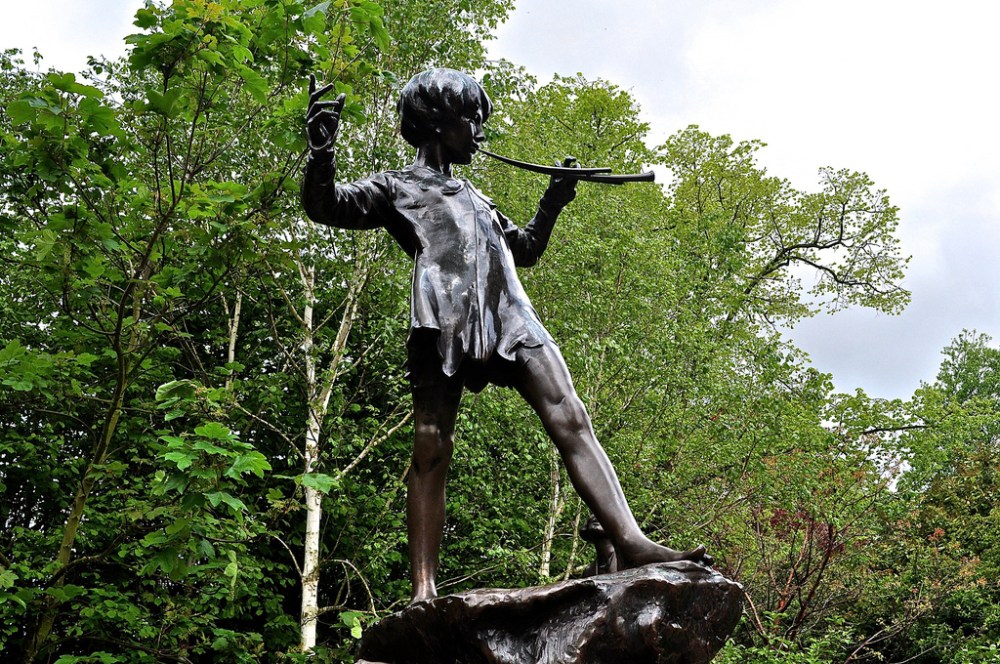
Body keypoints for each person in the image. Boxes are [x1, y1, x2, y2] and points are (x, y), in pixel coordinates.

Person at [301, 68, 710, 603]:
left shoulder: (478, 198)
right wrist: (322, 154)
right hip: (444, 317)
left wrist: (553, 201)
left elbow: (527, 248)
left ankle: (630, 541)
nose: (479, 131)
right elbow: (326, 206)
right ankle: (423, 590)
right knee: (430, 442)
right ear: (437, 122)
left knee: (571, 415)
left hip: (511, 316)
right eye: (471, 119)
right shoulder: (397, 187)